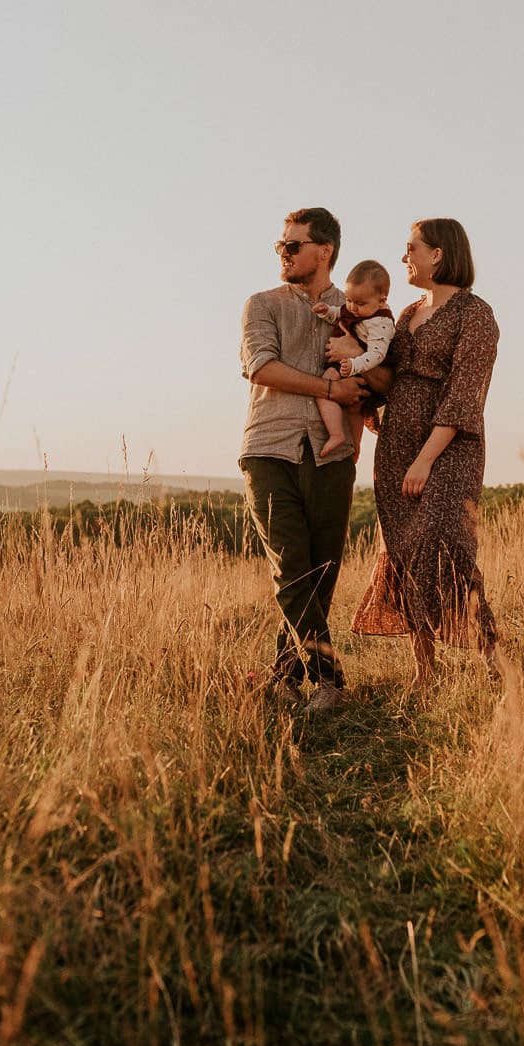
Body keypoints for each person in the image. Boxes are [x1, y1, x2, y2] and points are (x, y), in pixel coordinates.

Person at [328, 218, 499, 686]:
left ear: (438, 254)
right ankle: (426, 672)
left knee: (446, 543)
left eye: (411, 249)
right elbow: (388, 378)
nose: (404, 257)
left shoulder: (474, 314)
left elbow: (465, 394)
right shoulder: (404, 315)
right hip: (397, 443)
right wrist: (351, 355)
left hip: (449, 446)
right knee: (404, 548)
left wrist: (426, 458)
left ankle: (493, 659)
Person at [239, 207, 366, 712]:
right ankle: (330, 681)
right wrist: (332, 386)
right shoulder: (262, 304)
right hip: (269, 448)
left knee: (320, 572)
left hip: (334, 456)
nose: (283, 254)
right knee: (291, 569)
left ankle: (285, 677)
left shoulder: (358, 307)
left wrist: (362, 390)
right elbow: (261, 366)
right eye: (281, 246)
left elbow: (380, 375)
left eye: (292, 246)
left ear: (325, 251)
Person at [312, 259, 395, 459]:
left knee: (323, 387)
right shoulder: (355, 308)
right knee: (355, 408)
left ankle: (336, 434)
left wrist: (354, 363)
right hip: (353, 363)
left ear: (381, 301)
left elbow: (378, 354)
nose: (353, 307)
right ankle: (354, 448)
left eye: (360, 303)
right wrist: (327, 312)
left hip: (363, 365)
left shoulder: (380, 323)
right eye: (349, 300)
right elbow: (341, 315)